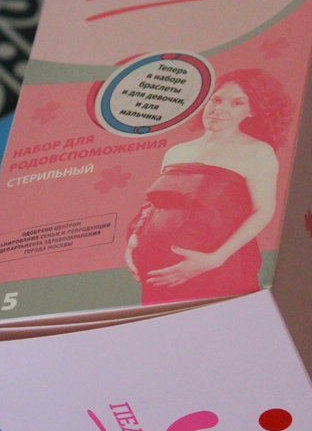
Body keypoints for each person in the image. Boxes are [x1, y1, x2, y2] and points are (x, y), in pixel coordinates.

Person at [125, 68, 294, 305]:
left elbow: (263, 210)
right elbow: (153, 204)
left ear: (252, 111)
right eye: (216, 100)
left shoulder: (257, 152)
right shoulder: (177, 152)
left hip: (218, 270)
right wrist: (134, 239)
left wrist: (214, 259)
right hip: (157, 271)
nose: (219, 109)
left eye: (236, 103)